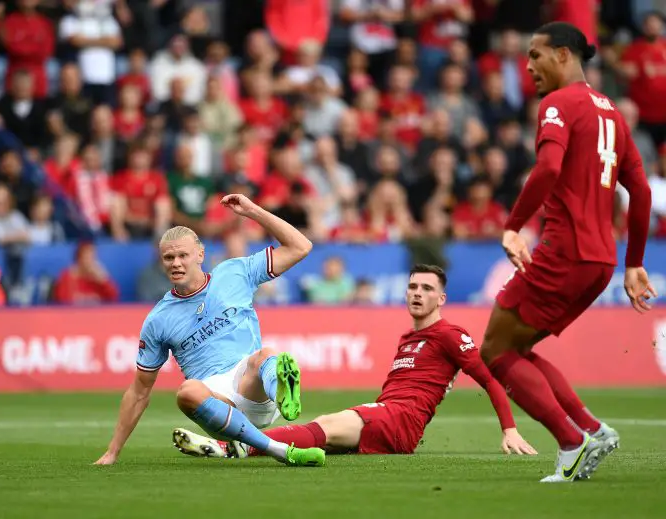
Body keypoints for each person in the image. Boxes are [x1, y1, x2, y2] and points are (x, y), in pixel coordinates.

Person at [479, 22, 656, 483]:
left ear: (562, 54)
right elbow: (639, 190)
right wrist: (635, 260)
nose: (528, 65)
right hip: (601, 260)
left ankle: (572, 442)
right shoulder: (612, 113)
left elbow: (549, 166)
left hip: (566, 250)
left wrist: (514, 224)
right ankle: (593, 429)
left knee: (495, 349)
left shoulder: (558, 103)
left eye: (536, 55)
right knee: (518, 347)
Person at [171, 264, 537, 460]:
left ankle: (232, 445)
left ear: (441, 298)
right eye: (413, 287)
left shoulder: (451, 334)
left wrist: (509, 429)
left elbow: (489, 379)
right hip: (391, 417)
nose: (417, 294)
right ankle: (243, 448)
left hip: (401, 418)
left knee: (327, 423)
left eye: (426, 289)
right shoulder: (409, 339)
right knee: (318, 437)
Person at [95, 194, 325, 467]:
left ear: (201, 255)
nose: (176, 263)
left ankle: (283, 396)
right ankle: (278, 450)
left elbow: (301, 246)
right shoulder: (158, 319)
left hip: (252, 386)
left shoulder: (235, 272)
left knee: (265, 355)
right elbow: (139, 392)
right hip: (215, 403)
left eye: (183, 255)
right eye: (169, 257)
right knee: (187, 392)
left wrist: (252, 211)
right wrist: (112, 452)